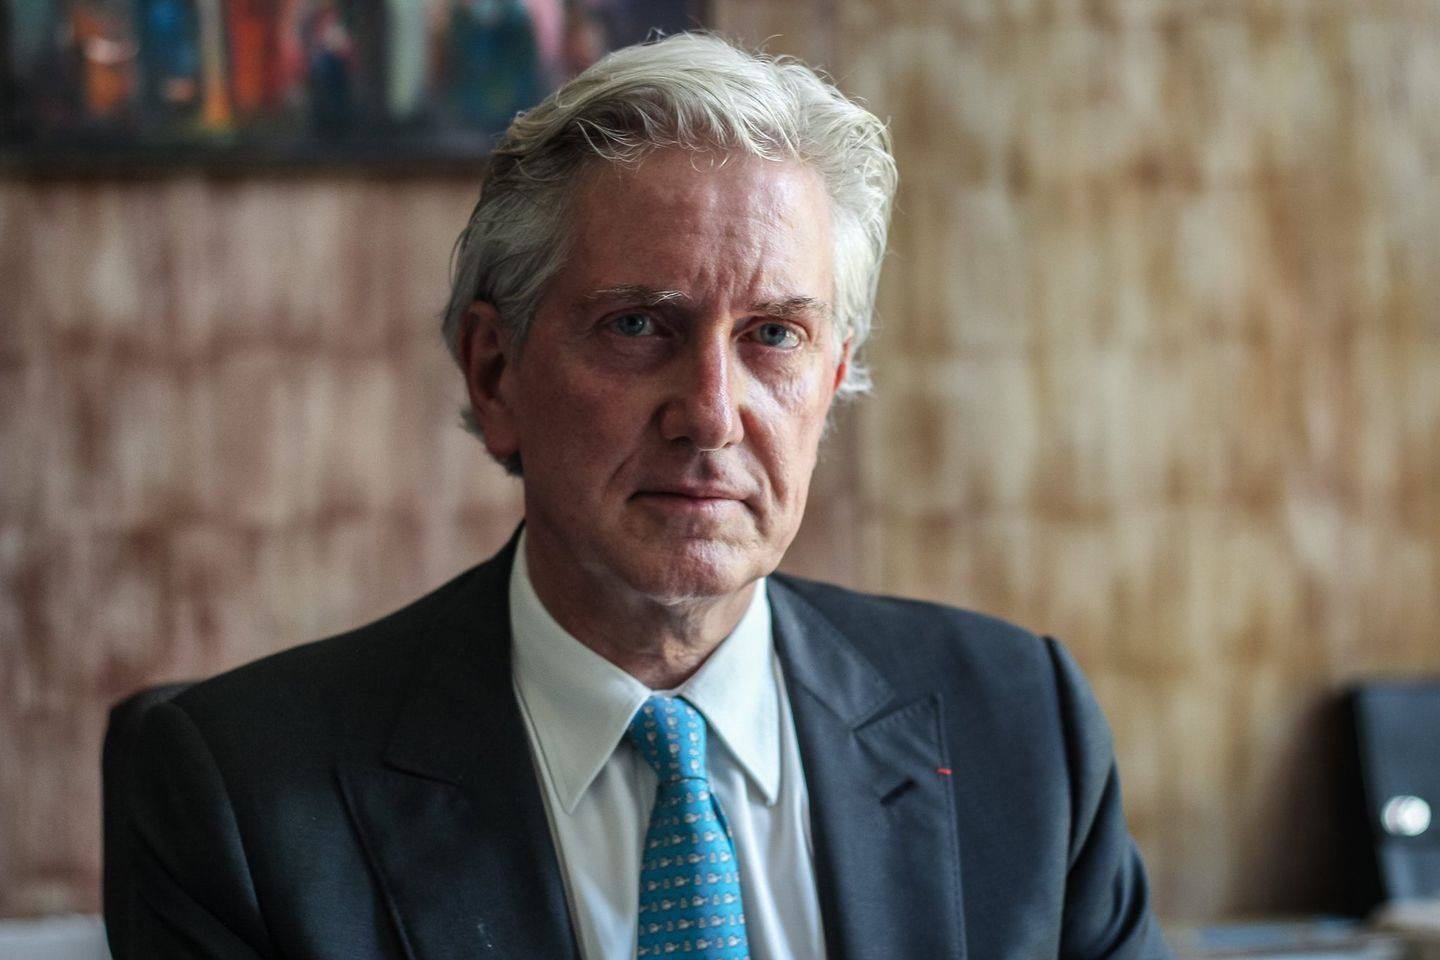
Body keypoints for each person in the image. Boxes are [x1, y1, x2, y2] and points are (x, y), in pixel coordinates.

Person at [111, 32, 1173, 960]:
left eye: (774, 335)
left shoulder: (1020, 730)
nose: (711, 415)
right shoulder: (241, 793)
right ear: (495, 372)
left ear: (834, 377)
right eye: (637, 326)